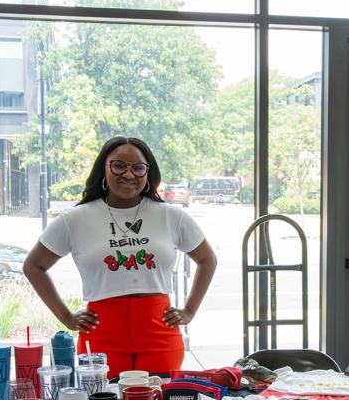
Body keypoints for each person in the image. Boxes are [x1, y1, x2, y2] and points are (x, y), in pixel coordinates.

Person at [23, 136, 217, 379]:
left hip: (159, 329)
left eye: (138, 167)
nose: (128, 174)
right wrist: (66, 317)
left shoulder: (171, 216)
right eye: (118, 166)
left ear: (147, 172)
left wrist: (189, 311)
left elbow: (207, 260)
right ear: (104, 169)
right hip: (102, 330)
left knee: (158, 399)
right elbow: (34, 266)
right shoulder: (75, 219)